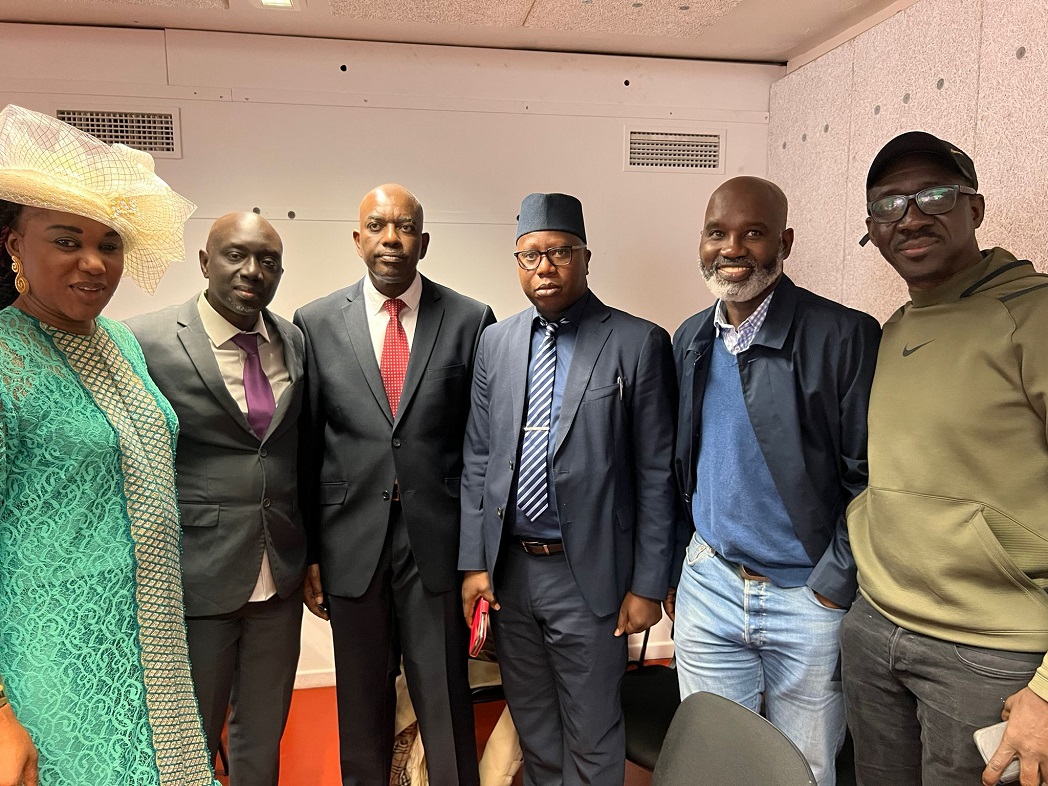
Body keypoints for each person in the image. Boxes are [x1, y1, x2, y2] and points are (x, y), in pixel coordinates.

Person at [0, 104, 214, 786]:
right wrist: (0, 714)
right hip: (52, 658)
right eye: (67, 240)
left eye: (110, 244)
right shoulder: (4, 357)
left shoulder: (120, 342)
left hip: (152, 640)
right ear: (14, 244)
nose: (93, 263)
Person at [841, 131, 1048, 786]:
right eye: (888, 204)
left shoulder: (1034, 318)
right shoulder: (898, 326)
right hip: (877, 625)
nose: (910, 216)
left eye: (934, 194)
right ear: (873, 229)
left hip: (990, 655)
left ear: (975, 208)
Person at [459, 192, 678, 784]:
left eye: (559, 252)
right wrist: (474, 563)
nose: (545, 267)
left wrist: (648, 584)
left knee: (593, 730)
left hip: (590, 576)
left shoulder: (636, 341)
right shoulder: (497, 343)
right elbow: (479, 457)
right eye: (530, 255)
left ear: (585, 257)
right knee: (535, 726)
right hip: (511, 574)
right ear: (517, 262)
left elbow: (657, 474)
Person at [670, 176, 879, 785]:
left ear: (784, 242)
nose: (732, 248)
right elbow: (678, 464)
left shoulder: (844, 336)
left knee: (803, 770)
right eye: (717, 233)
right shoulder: (690, 339)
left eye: (753, 233)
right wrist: (683, 566)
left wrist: (832, 585)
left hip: (807, 598)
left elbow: (870, 479)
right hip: (711, 585)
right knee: (712, 765)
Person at [295, 183, 495, 786]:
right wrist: (310, 554)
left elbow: (481, 448)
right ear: (357, 240)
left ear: (423, 242)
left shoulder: (469, 320)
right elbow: (307, 447)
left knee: (445, 699)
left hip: (436, 543)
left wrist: (476, 556)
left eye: (405, 227)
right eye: (378, 226)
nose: (391, 239)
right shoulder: (315, 322)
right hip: (350, 541)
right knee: (361, 705)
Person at [126, 212, 306, 785]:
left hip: (279, 572)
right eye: (236, 255)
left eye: (268, 261)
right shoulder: (144, 340)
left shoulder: (293, 340)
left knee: (263, 732)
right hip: (196, 572)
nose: (253, 271)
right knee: (190, 738)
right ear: (205, 261)